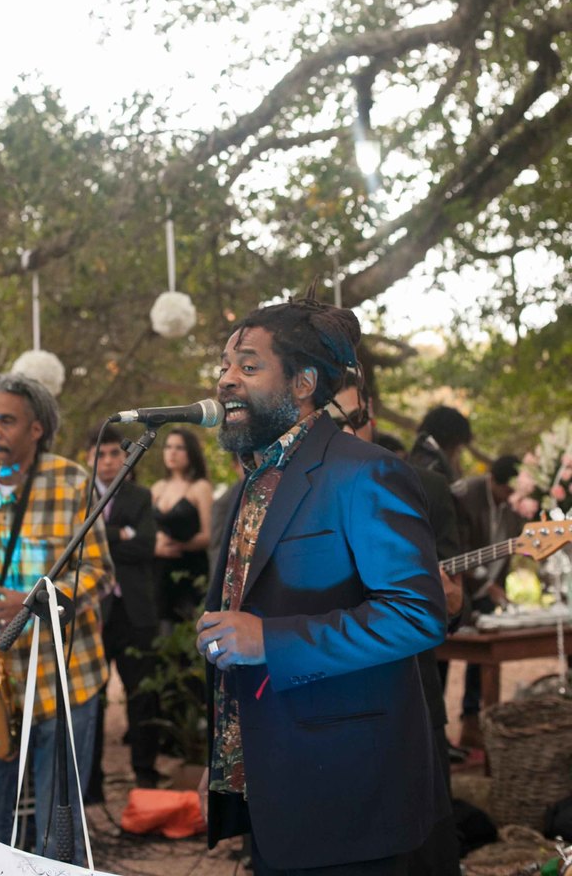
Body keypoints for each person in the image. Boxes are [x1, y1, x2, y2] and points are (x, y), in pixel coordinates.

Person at [196, 292, 449, 876]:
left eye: (249, 366)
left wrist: (269, 641)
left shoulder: (366, 472)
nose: (227, 379)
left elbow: (417, 615)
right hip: (273, 776)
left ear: (303, 383)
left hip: (348, 792)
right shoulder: (251, 483)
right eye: (225, 366)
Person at [0, 372, 113, 875]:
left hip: (63, 685)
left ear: (37, 428)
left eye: (6, 421)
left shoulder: (74, 480)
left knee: (59, 831)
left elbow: (99, 574)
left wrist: (34, 602)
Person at [332, 373, 462, 876]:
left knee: (425, 853)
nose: (345, 434)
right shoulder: (285, 490)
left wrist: (450, 603)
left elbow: (452, 599)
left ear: (373, 419)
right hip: (326, 709)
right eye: (330, 423)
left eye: (355, 421)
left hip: (410, 697)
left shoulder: (425, 486)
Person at [85, 423, 160, 802]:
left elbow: (146, 545)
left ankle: (145, 774)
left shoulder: (141, 496)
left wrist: (103, 535)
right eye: (102, 453)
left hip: (135, 611)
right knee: (91, 697)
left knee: (141, 694)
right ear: (90, 458)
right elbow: (77, 548)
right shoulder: (78, 498)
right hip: (95, 612)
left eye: (116, 453)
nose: (109, 460)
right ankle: (90, 782)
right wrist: (122, 534)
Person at [452, 454, 524, 750]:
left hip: (489, 592)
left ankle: (474, 720)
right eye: (505, 490)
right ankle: (446, 727)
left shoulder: (517, 505)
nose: (509, 497)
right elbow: (460, 546)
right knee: (447, 654)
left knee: (480, 662)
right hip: (462, 587)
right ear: (493, 480)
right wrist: (485, 584)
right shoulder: (467, 495)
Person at [152, 427, 213, 627]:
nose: (172, 452)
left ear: (191, 452)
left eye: (179, 448)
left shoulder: (200, 487)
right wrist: (156, 543)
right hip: (160, 572)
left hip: (190, 572)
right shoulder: (158, 488)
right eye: (168, 447)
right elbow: (146, 529)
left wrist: (180, 545)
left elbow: (208, 535)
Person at [410, 405, 473, 486]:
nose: (460, 469)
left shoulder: (408, 464)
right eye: (459, 451)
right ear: (452, 445)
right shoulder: (435, 478)